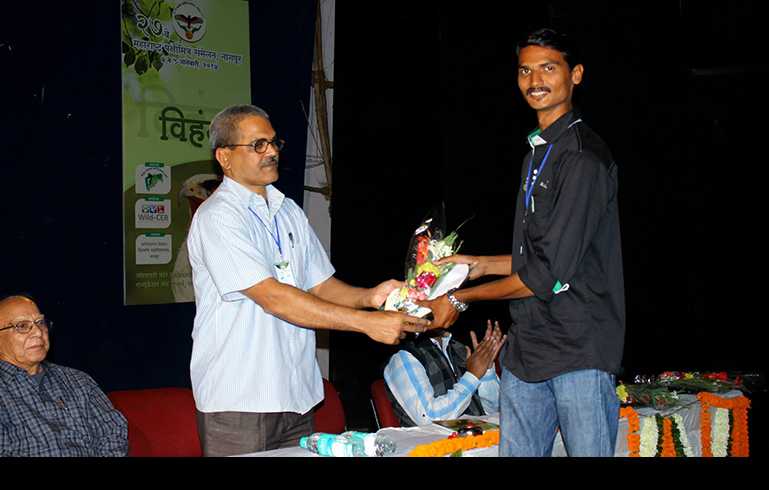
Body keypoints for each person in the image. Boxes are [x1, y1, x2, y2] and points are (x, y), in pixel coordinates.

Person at [424, 29, 626, 457]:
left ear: (576, 75)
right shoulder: (536, 153)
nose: (535, 79)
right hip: (529, 347)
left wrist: (460, 299)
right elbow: (534, 254)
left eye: (548, 68)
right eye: (525, 70)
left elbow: (547, 273)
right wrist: (479, 263)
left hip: (578, 347)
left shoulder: (583, 158)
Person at [188, 104, 431, 457]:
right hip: (241, 400)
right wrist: (366, 324)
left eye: (273, 143)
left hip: (297, 395)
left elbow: (320, 285)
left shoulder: (288, 211)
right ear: (224, 157)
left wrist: (370, 297)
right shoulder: (218, 217)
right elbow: (273, 298)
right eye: (257, 145)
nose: (271, 151)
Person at [0, 295, 129, 457]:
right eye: (22, 326)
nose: (38, 333)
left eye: (40, 323)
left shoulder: (78, 381)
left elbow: (112, 434)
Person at [384, 320, 504, 427]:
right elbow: (429, 418)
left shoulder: (458, 347)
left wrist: (486, 369)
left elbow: (490, 412)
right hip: (435, 447)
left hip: (476, 439)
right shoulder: (405, 356)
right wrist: (472, 376)